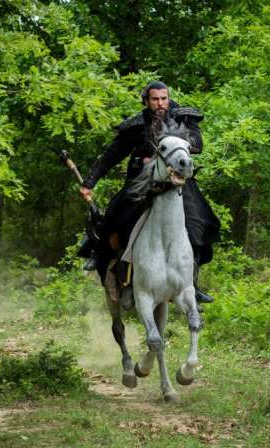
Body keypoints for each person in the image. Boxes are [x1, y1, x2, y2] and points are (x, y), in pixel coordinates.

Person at [79, 81, 220, 304]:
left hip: (177, 182)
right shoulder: (136, 125)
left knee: (200, 223)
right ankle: (103, 258)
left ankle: (192, 284)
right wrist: (89, 182)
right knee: (116, 216)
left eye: (164, 98)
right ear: (146, 101)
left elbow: (197, 145)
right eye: (155, 99)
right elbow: (112, 155)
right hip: (142, 181)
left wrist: (168, 150)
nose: (160, 103)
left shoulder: (182, 117)